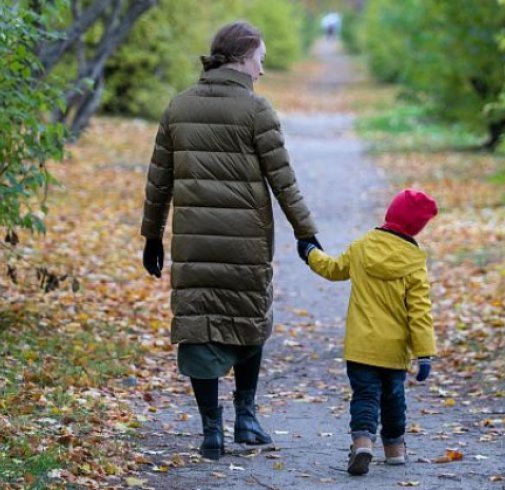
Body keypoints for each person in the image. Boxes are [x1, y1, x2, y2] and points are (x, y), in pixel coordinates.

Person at [140, 21, 321, 460]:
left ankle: (211, 431)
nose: (263, 68)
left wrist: (152, 236)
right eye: (260, 57)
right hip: (245, 244)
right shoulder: (257, 111)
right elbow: (284, 180)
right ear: (242, 57)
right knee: (249, 321)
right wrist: (306, 233)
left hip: (195, 245)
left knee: (199, 327)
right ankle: (246, 418)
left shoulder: (178, 107)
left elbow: (158, 180)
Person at [296, 188, 438, 476]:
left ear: (390, 213)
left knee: (364, 396)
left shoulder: (363, 246)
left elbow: (333, 269)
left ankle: (363, 444)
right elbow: (420, 311)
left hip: (361, 347)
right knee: (393, 399)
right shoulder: (414, 263)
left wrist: (310, 252)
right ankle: (395, 451)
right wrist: (425, 354)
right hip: (394, 350)